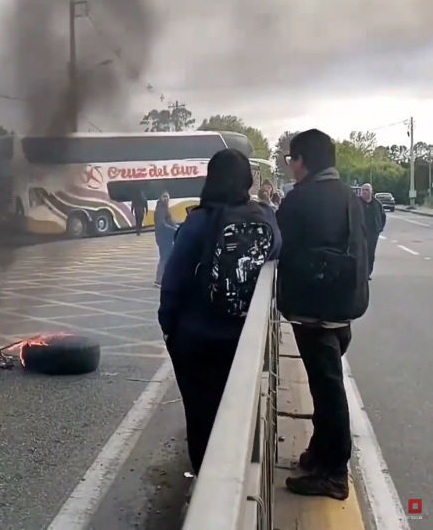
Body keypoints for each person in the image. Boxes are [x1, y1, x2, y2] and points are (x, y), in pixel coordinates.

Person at [158, 149, 280, 473]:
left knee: (200, 416)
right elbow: (277, 253)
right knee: (238, 413)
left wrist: (169, 328)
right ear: (249, 181)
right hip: (246, 338)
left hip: (196, 339)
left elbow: (173, 282)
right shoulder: (265, 217)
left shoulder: (198, 221)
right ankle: (236, 479)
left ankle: (204, 487)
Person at [276, 129, 369, 500]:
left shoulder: (300, 200)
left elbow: (276, 244)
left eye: (291, 160)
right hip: (344, 309)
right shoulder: (349, 197)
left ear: (302, 161)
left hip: (314, 312)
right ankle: (319, 454)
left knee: (328, 390)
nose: (291, 167)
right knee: (324, 386)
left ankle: (334, 473)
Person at [360, 183, 386, 279]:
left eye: (367, 190)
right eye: (363, 190)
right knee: (360, 253)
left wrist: (379, 228)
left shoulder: (377, 204)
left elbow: (383, 216)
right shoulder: (356, 203)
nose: (365, 192)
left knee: (370, 253)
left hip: (372, 233)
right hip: (359, 232)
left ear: (371, 192)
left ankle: (368, 273)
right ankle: (360, 272)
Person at [153, 191, 177, 286]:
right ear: (160, 198)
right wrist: (174, 229)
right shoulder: (160, 209)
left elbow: (170, 221)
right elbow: (162, 223)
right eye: (164, 197)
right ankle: (159, 280)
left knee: (167, 257)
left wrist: (177, 225)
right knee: (165, 257)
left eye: (167, 197)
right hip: (163, 237)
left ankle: (165, 278)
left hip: (166, 236)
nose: (166, 199)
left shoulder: (164, 208)